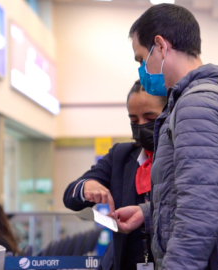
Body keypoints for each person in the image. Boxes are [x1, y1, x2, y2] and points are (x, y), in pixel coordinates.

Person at [114, 4, 218, 269]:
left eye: (141, 59)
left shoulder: (195, 106)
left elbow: (199, 215)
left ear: (160, 45)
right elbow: (212, 191)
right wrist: (148, 214)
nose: (141, 69)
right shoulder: (216, 94)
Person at [63, 80, 166, 270]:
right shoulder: (121, 156)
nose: (141, 126)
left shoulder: (181, 158)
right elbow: (70, 197)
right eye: (134, 120)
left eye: (150, 118)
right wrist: (86, 187)